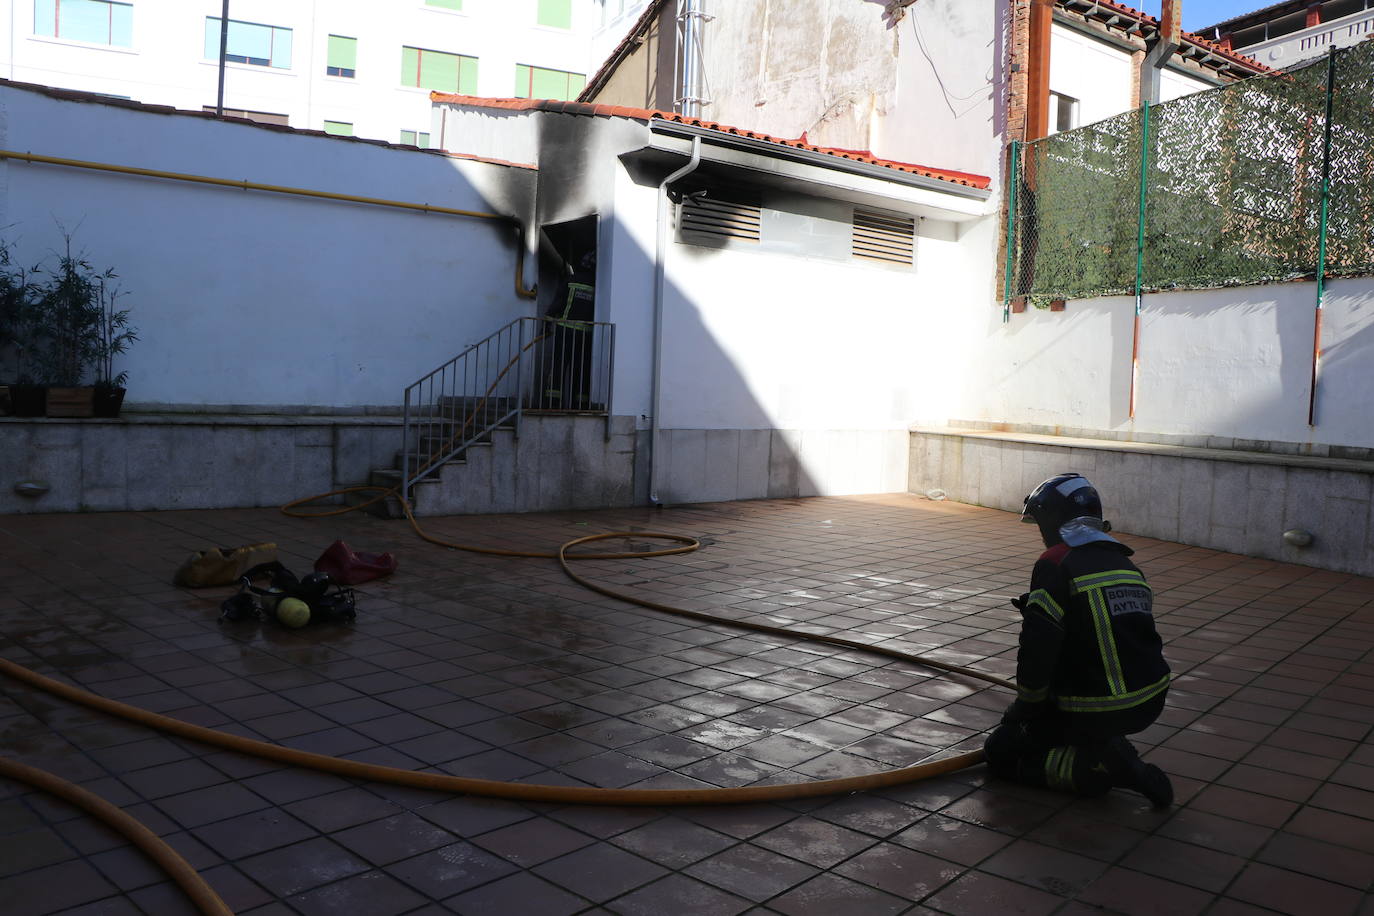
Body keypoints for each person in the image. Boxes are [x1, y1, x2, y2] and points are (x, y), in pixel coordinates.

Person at [983, 472, 1174, 807]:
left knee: (1000, 751)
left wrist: (1022, 710)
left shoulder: (1056, 562)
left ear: (1054, 522)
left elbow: (1037, 652)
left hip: (1098, 707)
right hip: (1150, 698)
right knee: (1062, 728)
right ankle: (1103, 744)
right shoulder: (1126, 564)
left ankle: (1097, 769)